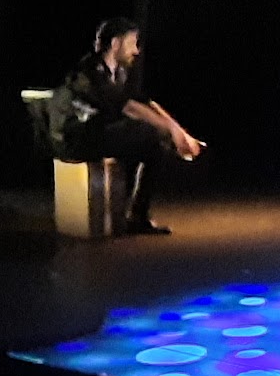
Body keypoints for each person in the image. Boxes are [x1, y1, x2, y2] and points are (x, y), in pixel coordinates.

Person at [50, 17, 203, 235]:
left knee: (152, 143)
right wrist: (171, 131)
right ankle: (124, 212)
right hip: (76, 138)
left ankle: (137, 215)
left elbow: (144, 101)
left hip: (98, 134)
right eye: (132, 43)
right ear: (115, 44)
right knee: (149, 134)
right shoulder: (89, 72)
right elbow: (127, 107)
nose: (136, 51)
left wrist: (178, 130)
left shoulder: (120, 72)